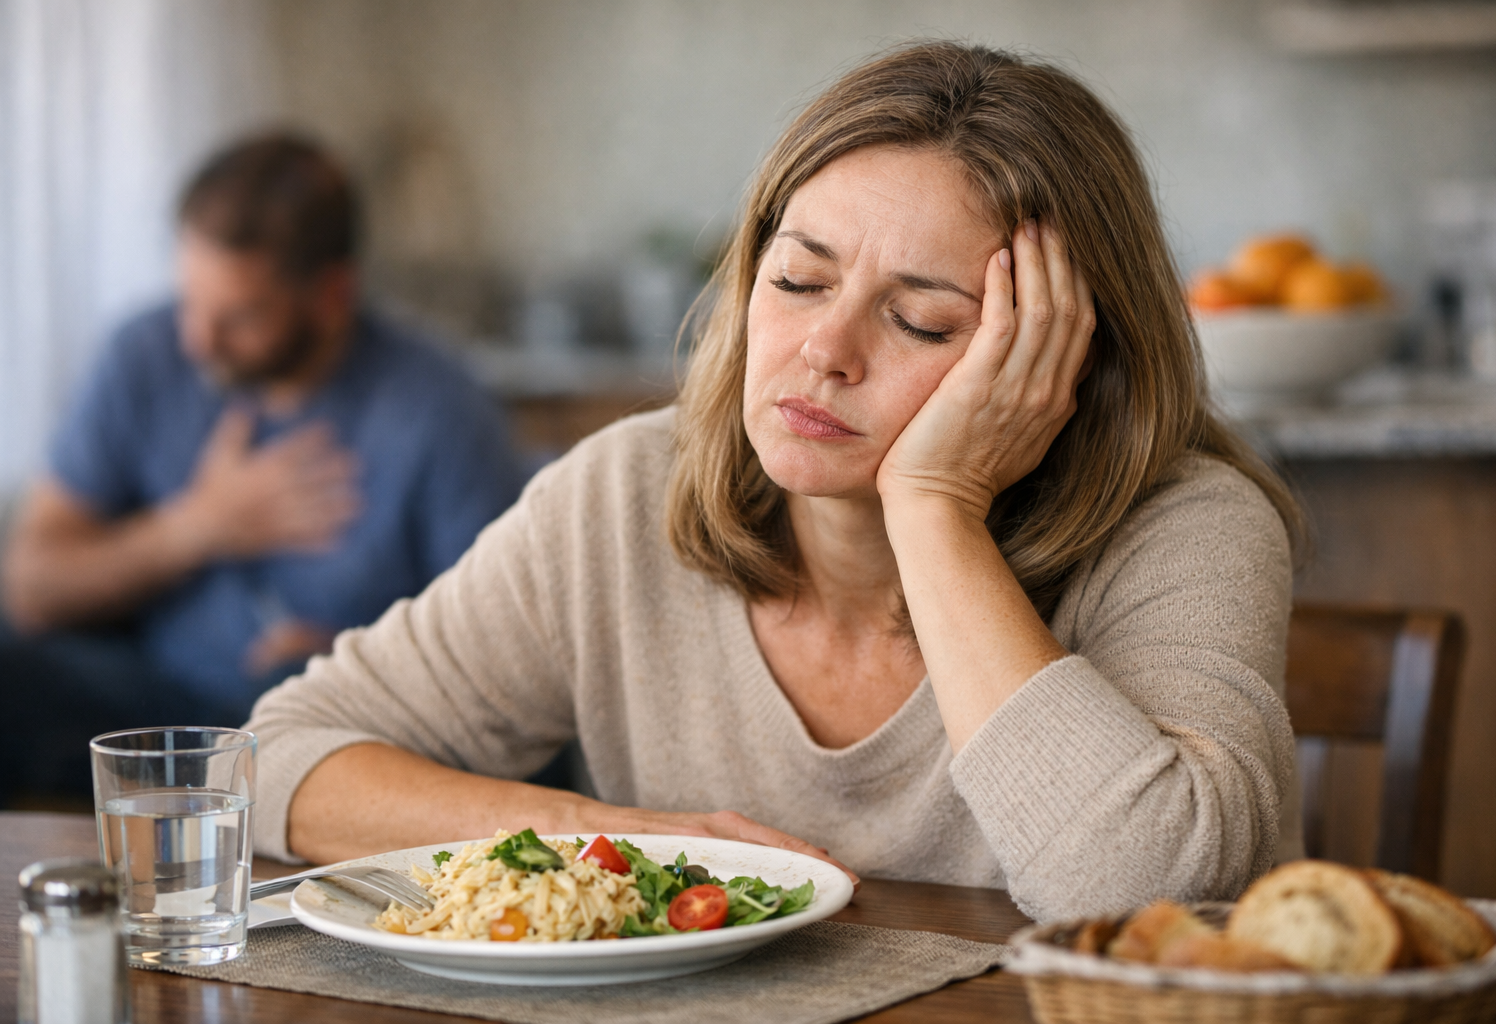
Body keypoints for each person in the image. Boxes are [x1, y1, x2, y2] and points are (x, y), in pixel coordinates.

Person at [245, 43, 1304, 920]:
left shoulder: (1191, 530)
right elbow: (273, 760)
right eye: (799, 280)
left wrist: (936, 509)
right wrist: (618, 842)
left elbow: (1151, 896)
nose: (824, 349)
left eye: (920, 319)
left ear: (1061, 361)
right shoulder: (623, 494)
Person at [0, 134, 530, 803]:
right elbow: (31, 589)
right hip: (151, 707)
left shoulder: (442, 410)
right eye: (190, 301)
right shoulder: (143, 353)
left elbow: (506, 653)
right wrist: (197, 527)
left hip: (329, 729)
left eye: (240, 317)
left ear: (333, 294)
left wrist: (358, 656)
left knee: (288, 706)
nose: (197, 340)